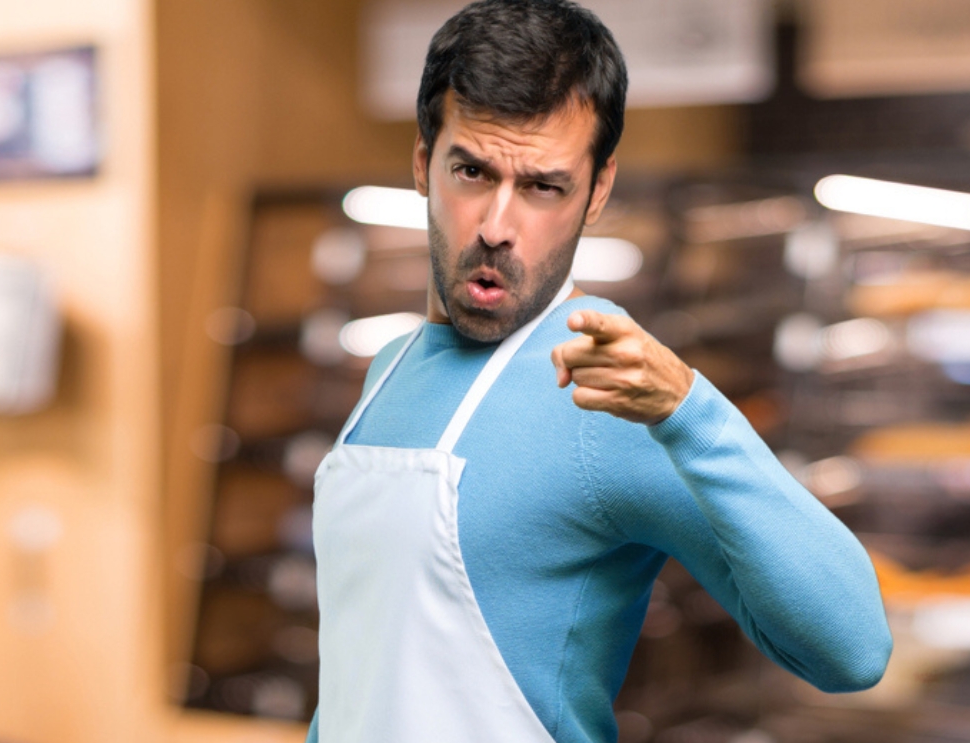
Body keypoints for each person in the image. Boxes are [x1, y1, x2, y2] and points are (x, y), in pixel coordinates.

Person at [306, 1, 891, 740]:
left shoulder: (606, 392)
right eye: (472, 171)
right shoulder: (391, 369)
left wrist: (690, 411)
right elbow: (362, 673)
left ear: (597, 191)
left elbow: (852, 651)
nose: (496, 227)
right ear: (423, 164)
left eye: (543, 187)